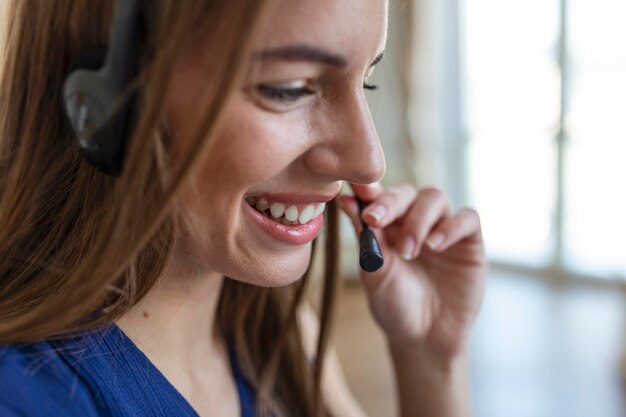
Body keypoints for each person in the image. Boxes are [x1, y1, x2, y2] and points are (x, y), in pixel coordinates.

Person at [0, 0, 487, 416]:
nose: (368, 160)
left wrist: (432, 360)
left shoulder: (281, 336)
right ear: (107, 106)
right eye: (289, 88)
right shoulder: (24, 398)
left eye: (368, 81)